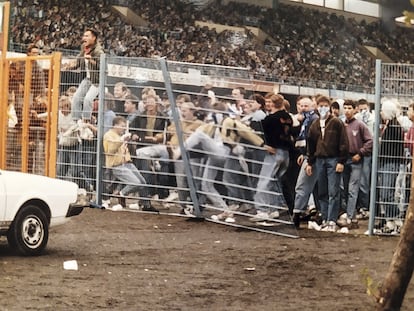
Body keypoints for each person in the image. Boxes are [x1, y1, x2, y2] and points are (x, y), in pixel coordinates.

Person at [305, 95, 349, 232]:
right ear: (317, 107)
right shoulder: (315, 124)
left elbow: (343, 142)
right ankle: (324, 218)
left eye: (325, 105)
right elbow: (310, 144)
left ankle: (332, 220)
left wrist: (341, 160)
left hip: (333, 159)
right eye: (320, 105)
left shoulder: (336, 122)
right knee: (322, 191)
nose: (322, 108)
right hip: (319, 160)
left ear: (329, 107)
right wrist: (310, 162)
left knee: (333, 191)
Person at [251, 93, 293, 223]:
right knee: (275, 181)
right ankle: (274, 208)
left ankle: (262, 210)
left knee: (264, 181)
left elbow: (256, 127)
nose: (267, 104)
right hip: (286, 154)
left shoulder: (271, 119)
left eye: (269, 102)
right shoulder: (288, 117)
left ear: (274, 104)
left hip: (274, 152)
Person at [103, 116, 158, 212]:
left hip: (127, 162)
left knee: (142, 182)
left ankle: (146, 205)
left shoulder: (119, 135)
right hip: (117, 165)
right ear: (115, 125)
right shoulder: (108, 135)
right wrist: (121, 140)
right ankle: (121, 194)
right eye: (122, 126)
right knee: (135, 183)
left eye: (124, 126)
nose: (124, 128)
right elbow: (110, 151)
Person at [337, 100, 373, 229]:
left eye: (349, 108)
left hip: (356, 159)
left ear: (355, 109)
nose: (347, 110)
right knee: (344, 188)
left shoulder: (360, 125)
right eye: (345, 108)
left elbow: (370, 141)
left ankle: (350, 216)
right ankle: (348, 213)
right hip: (344, 159)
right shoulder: (341, 125)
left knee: (353, 189)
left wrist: (361, 153)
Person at [69, 28, 104, 122]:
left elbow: (104, 68)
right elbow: (79, 61)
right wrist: (70, 66)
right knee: (76, 98)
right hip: (88, 79)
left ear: (94, 38)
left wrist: (91, 60)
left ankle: (86, 121)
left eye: (87, 36)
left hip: (97, 81)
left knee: (88, 100)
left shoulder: (98, 52)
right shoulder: (84, 48)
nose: (84, 38)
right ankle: (76, 121)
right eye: (84, 36)